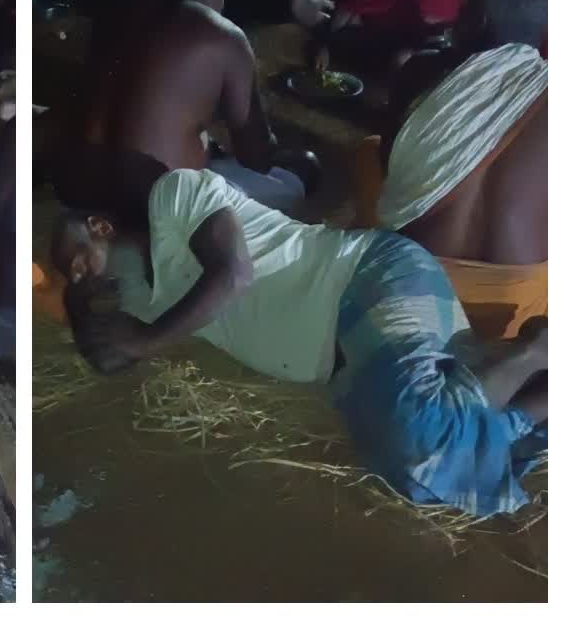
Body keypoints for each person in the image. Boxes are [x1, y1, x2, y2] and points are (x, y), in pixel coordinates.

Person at [53, 169, 547, 517]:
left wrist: (146, 340)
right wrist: (79, 300)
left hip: (368, 277)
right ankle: (532, 384)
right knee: (415, 471)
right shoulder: (144, 302)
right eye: (68, 275)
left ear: (101, 226)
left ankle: (537, 350)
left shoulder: (176, 196)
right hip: (350, 357)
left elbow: (234, 274)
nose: (77, 274)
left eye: (76, 256)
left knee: (421, 431)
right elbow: (107, 359)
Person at [350, 0, 548, 339]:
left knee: (368, 152)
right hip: (511, 316)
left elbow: (399, 168)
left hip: (413, 277)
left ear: (476, 20)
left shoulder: (421, 72)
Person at [44, 0, 318, 227]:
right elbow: (256, 156)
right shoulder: (222, 35)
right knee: (302, 168)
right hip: (158, 217)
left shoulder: (111, 17)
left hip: (82, 200)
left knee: (205, 150)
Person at [291, 0, 468, 72]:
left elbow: (433, 31)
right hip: (374, 24)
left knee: (404, 62)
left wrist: (330, 39)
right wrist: (326, 41)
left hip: (414, 40)